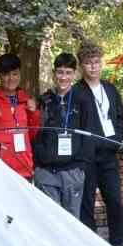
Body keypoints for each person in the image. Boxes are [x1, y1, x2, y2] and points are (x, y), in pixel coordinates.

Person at [76, 43, 123, 246]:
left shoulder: (110, 88)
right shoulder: (77, 92)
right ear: (82, 66)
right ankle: (92, 245)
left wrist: (118, 137)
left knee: (115, 199)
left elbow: (120, 117)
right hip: (87, 156)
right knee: (86, 202)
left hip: (109, 154)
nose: (93, 67)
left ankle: (117, 242)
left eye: (97, 62)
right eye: (89, 63)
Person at [33, 53, 92, 215]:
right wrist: (39, 163)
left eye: (68, 72)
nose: (63, 77)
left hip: (73, 171)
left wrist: (81, 166)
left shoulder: (83, 100)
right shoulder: (44, 100)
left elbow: (88, 134)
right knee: (51, 220)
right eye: (60, 72)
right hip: (46, 171)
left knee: (71, 222)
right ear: (53, 73)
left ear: (75, 74)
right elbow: (36, 133)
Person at [0, 53, 41, 181]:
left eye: (15, 74)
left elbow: (33, 134)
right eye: (6, 74)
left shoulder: (26, 100)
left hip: (23, 168)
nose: (11, 78)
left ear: (20, 74)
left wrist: (34, 113)